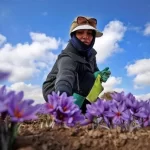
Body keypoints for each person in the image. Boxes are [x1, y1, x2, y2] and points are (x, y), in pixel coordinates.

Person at [42, 16, 111, 113]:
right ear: (73, 35)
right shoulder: (67, 57)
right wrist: (62, 98)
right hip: (54, 91)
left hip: (77, 86)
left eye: (90, 33)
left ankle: (80, 107)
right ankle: (67, 109)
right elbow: (65, 76)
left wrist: (99, 74)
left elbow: (93, 69)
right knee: (88, 78)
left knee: (91, 79)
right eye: (80, 32)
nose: (85, 36)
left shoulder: (91, 54)